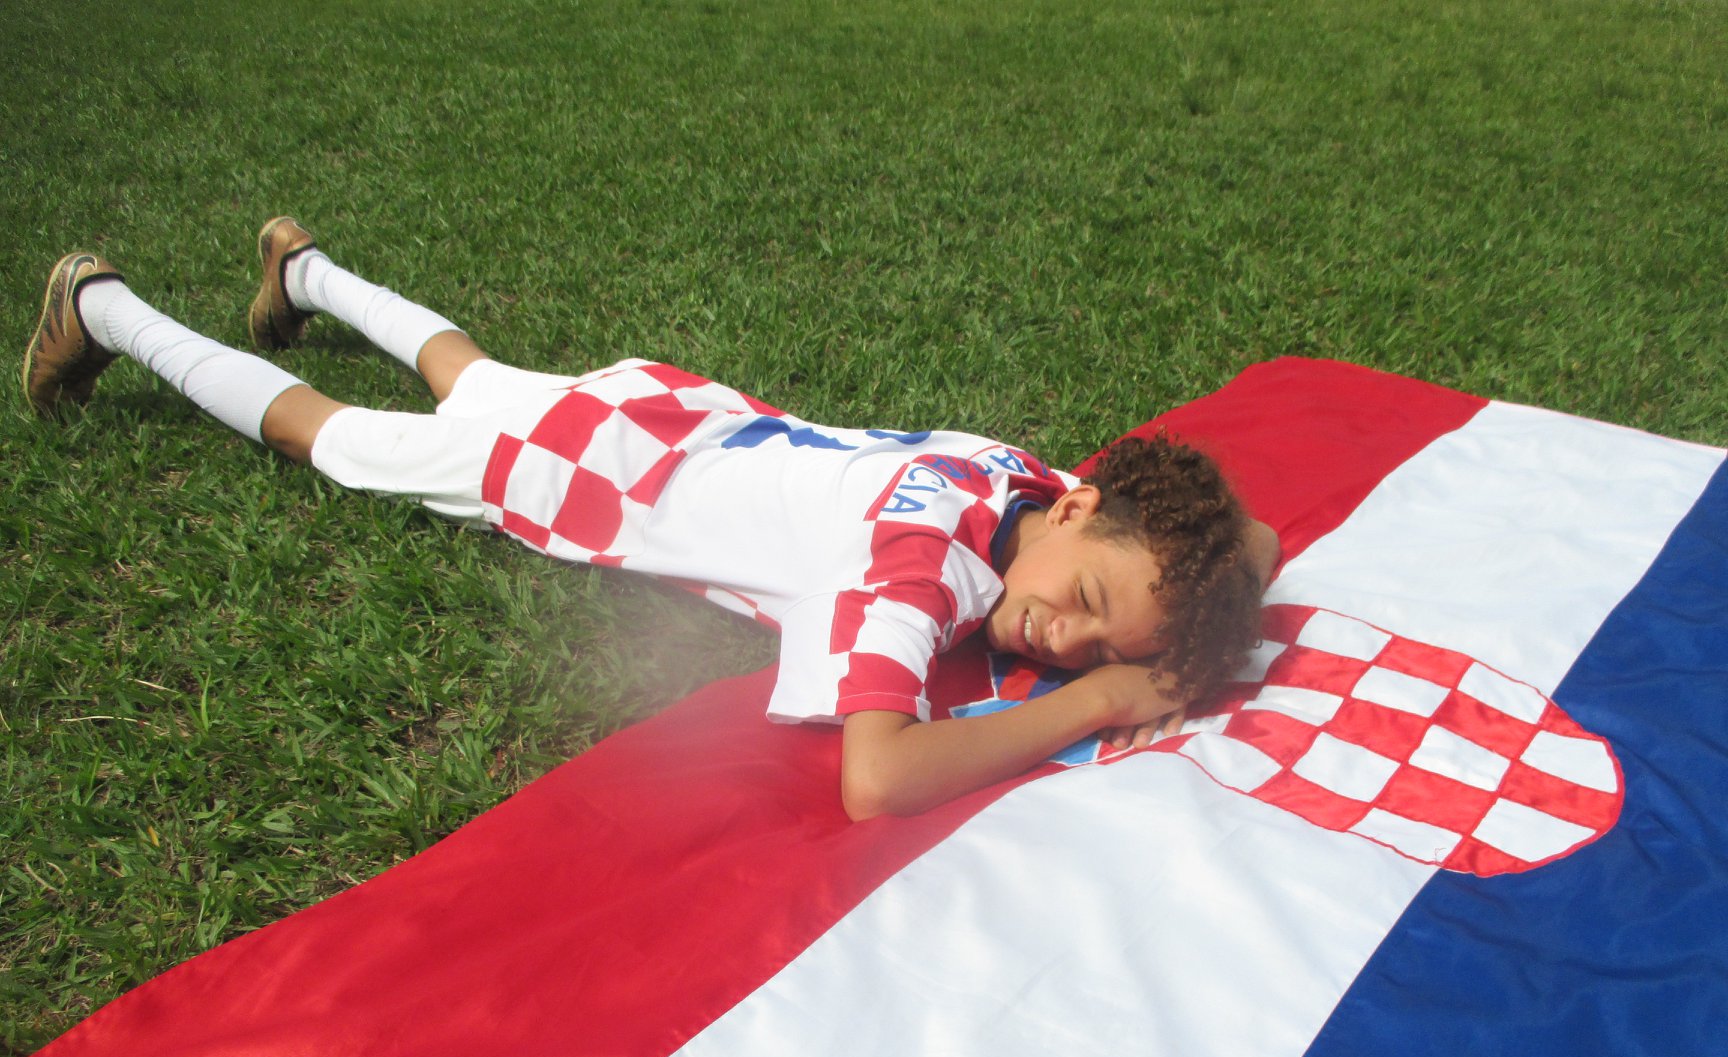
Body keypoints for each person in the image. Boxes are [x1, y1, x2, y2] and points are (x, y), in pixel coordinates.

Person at [23, 219, 1279, 820]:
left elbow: (1245, 543)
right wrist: (1100, 700)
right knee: (332, 435)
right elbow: (879, 779)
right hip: (582, 482)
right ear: (1081, 508)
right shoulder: (916, 572)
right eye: (1088, 605)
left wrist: (1172, 610)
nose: (1064, 636)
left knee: (476, 373)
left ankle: (301, 267)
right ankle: (108, 310)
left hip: (667, 411)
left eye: (1096, 641)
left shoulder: (1030, 484)